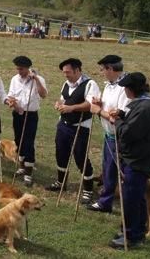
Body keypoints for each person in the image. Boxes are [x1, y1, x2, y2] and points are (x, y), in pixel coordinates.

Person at [103, 72, 150, 249]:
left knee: (130, 199)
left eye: (126, 88)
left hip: (138, 161)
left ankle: (130, 236)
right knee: (138, 198)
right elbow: (133, 124)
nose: (125, 92)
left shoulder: (145, 108)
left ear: (131, 89)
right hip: (138, 159)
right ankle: (136, 231)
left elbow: (128, 133)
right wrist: (122, 113)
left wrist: (117, 120)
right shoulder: (143, 104)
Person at [46, 58, 100, 205]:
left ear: (77, 70)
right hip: (63, 125)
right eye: (64, 72)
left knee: (80, 157)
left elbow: (89, 104)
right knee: (61, 153)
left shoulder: (90, 84)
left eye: (68, 72)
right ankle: (60, 182)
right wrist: (60, 104)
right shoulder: (66, 84)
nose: (66, 75)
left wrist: (71, 108)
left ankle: (88, 190)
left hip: (80, 126)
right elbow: (64, 98)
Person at [85, 55, 129, 213]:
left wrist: (98, 111)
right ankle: (105, 201)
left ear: (111, 69)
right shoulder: (109, 85)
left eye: (103, 69)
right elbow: (107, 108)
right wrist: (99, 104)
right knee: (108, 168)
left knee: (123, 172)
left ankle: (129, 203)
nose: (102, 72)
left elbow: (118, 117)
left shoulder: (125, 87)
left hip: (121, 137)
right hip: (109, 135)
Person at [6, 56, 48, 186]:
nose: (19, 71)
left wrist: (35, 79)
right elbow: (11, 94)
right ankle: (22, 166)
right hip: (18, 113)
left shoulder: (38, 79)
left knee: (29, 143)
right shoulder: (14, 79)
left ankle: (28, 174)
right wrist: (12, 102)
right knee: (19, 140)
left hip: (31, 115)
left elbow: (43, 94)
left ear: (28, 68)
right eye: (18, 68)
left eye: (22, 69)